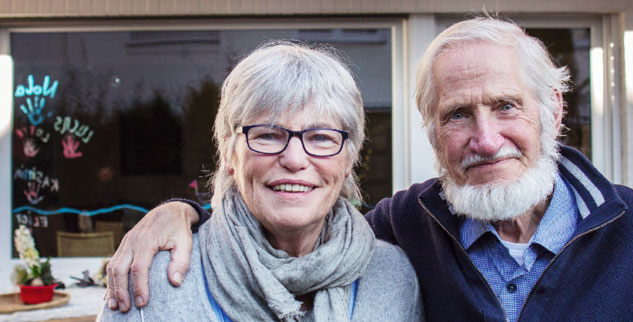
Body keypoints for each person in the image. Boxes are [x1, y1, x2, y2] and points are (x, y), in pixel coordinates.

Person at [106, 17, 633, 321]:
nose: (486, 138)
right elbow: (293, 207)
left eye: (505, 105)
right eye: (457, 114)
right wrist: (181, 213)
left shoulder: (630, 227)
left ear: (554, 109)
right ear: (431, 130)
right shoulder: (408, 228)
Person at [97, 42, 424, 321]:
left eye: (321, 137)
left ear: (349, 157)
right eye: (268, 135)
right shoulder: (150, 280)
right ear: (228, 153)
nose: (295, 160)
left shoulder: (393, 276)